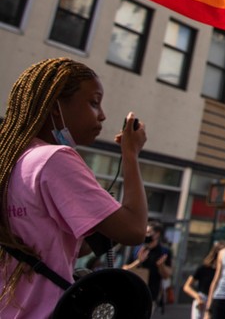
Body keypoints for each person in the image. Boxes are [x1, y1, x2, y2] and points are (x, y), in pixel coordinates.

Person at [0, 58, 149, 317]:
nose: (102, 115)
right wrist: (131, 154)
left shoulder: (12, 161)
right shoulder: (54, 159)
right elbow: (135, 230)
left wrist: (99, 214)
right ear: (56, 106)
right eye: (93, 102)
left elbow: (73, 247)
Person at [123, 220, 173, 308]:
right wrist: (138, 261)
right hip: (132, 292)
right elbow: (125, 269)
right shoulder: (137, 248)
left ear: (157, 234)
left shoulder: (164, 252)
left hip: (150, 295)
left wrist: (161, 266)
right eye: (145, 232)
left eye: (149, 232)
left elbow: (167, 275)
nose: (146, 235)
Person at [184, 240, 225, 319]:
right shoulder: (204, 268)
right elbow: (187, 286)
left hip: (217, 301)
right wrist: (197, 297)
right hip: (202, 300)